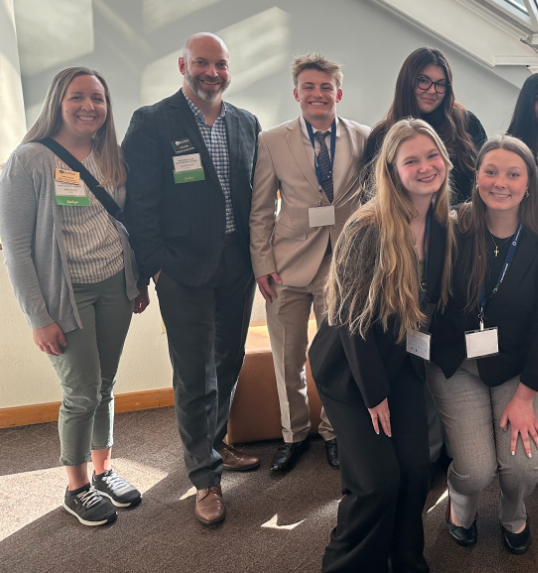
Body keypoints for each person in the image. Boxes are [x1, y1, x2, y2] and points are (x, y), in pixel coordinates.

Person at [0, 67, 149, 527]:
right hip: (66, 296)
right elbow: (16, 248)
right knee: (81, 392)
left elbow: (125, 223)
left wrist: (136, 282)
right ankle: (77, 486)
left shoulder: (112, 157)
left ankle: (104, 471)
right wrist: (37, 316)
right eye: (77, 97)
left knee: (104, 386)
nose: (89, 106)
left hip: (115, 287)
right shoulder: (29, 160)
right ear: (57, 103)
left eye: (98, 98)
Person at [122, 32, 262, 525]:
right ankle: (204, 477)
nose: (212, 72)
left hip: (236, 265)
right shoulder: (152, 122)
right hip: (181, 269)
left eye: (220, 64)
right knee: (193, 372)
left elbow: (255, 198)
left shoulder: (246, 123)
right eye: (202, 62)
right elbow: (138, 201)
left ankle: (216, 441)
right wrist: (155, 264)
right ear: (183, 64)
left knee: (228, 359)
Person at [308, 118, 453, 573]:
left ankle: (406, 560)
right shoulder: (367, 226)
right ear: (391, 169)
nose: (426, 166)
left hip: (402, 362)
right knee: (376, 483)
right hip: (351, 370)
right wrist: (375, 396)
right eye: (412, 160)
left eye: (433, 156)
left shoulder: (444, 224)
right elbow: (353, 322)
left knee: (415, 472)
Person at [427, 135, 538, 555]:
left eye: (513, 173)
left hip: (517, 368)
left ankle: (513, 511)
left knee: (524, 468)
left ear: (530, 183)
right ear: (476, 176)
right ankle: (461, 505)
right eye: (490, 171)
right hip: (457, 362)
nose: (500, 182)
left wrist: (527, 395)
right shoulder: (451, 229)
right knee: (475, 471)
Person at [249, 54, 370, 473]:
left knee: (334, 359)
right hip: (286, 266)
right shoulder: (271, 141)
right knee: (287, 358)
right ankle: (293, 435)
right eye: (308, 87)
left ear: (337, 93)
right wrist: (261, 263)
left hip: (342, 267)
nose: (317, 94)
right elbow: (261, 208)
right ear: (296, 93)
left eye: (325, 88)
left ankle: (334, 433)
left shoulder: (363, 137)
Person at [364, 48, 486, 204]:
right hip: (403, 226)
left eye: (440, 84)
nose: (432, 90)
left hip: (463, 225)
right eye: (423, 81)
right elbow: (372, 198)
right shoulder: (382, 136)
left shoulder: (467, 124)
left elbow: (484, 179)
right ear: (407, 82)